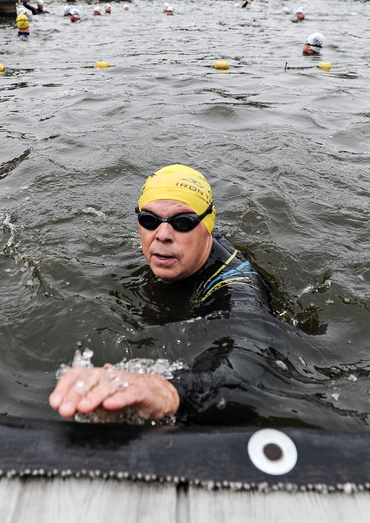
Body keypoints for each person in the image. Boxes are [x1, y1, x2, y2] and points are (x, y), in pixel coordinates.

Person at [49, 164, 274, 424]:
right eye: (149, 220)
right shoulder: (176, 248)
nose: (163, 235)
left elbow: (247, 374)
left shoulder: (237, 289)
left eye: (183, 223)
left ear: (207, 227)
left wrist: (169, 392)